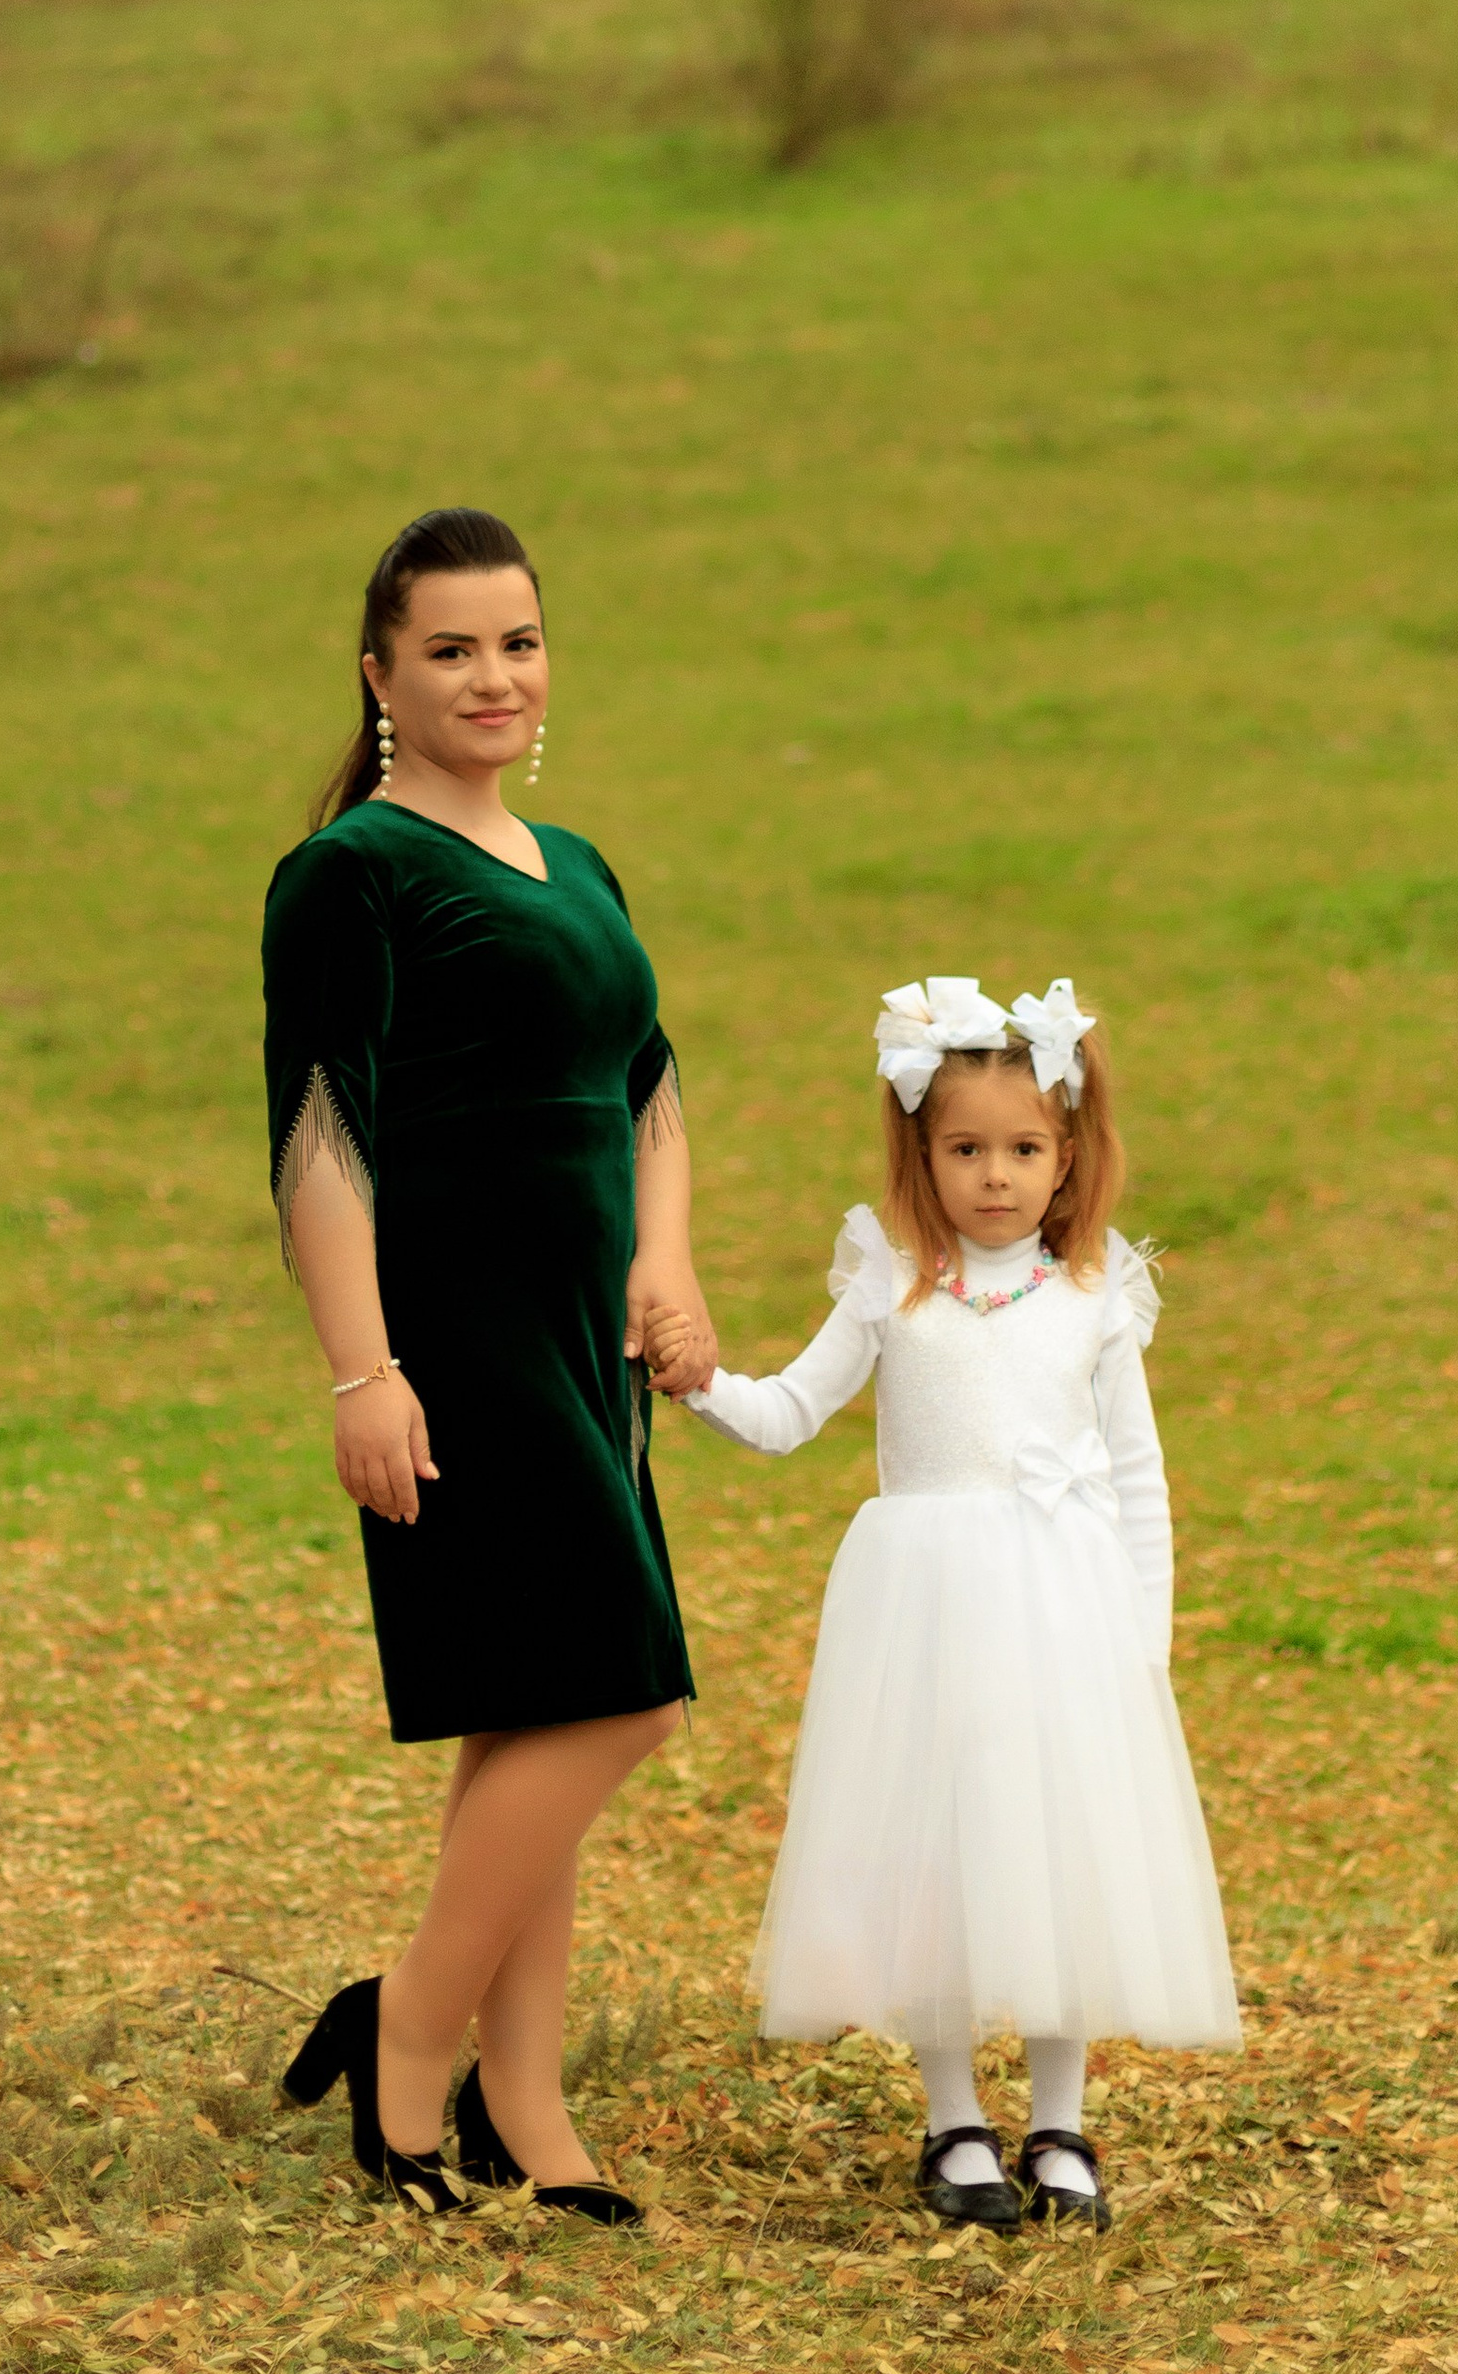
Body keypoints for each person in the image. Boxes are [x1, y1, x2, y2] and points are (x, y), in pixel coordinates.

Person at [262, 505, 718, 2220]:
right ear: (382, 676)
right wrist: (361, 1372)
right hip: (452, 1341)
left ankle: (527, 2105)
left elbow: (648, 1086)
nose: (492, 675)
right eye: (451, 648)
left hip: (578, 1339)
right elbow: (318, 1133)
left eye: (516, 641)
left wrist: (661, 1263)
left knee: (535, 1712)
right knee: (626, 1697)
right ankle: (407, 2045)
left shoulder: (578, 864)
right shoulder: (350, 875)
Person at [647, 974, 1238, 2232]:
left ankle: (1060, 2118)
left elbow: (1138, 1473)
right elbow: (793, 1411)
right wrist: (700, 1383)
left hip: (1065, 1609)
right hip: (925, 1610)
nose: (994, 1175)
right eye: (965, 1147)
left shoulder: (1092, 1296)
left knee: (1057, 1848)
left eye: (1023, 1148)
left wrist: (1144, 1636)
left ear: (1067, 1154)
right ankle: (949, 2115)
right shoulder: (890, 1286)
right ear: (921, 1148)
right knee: (943, 1846)